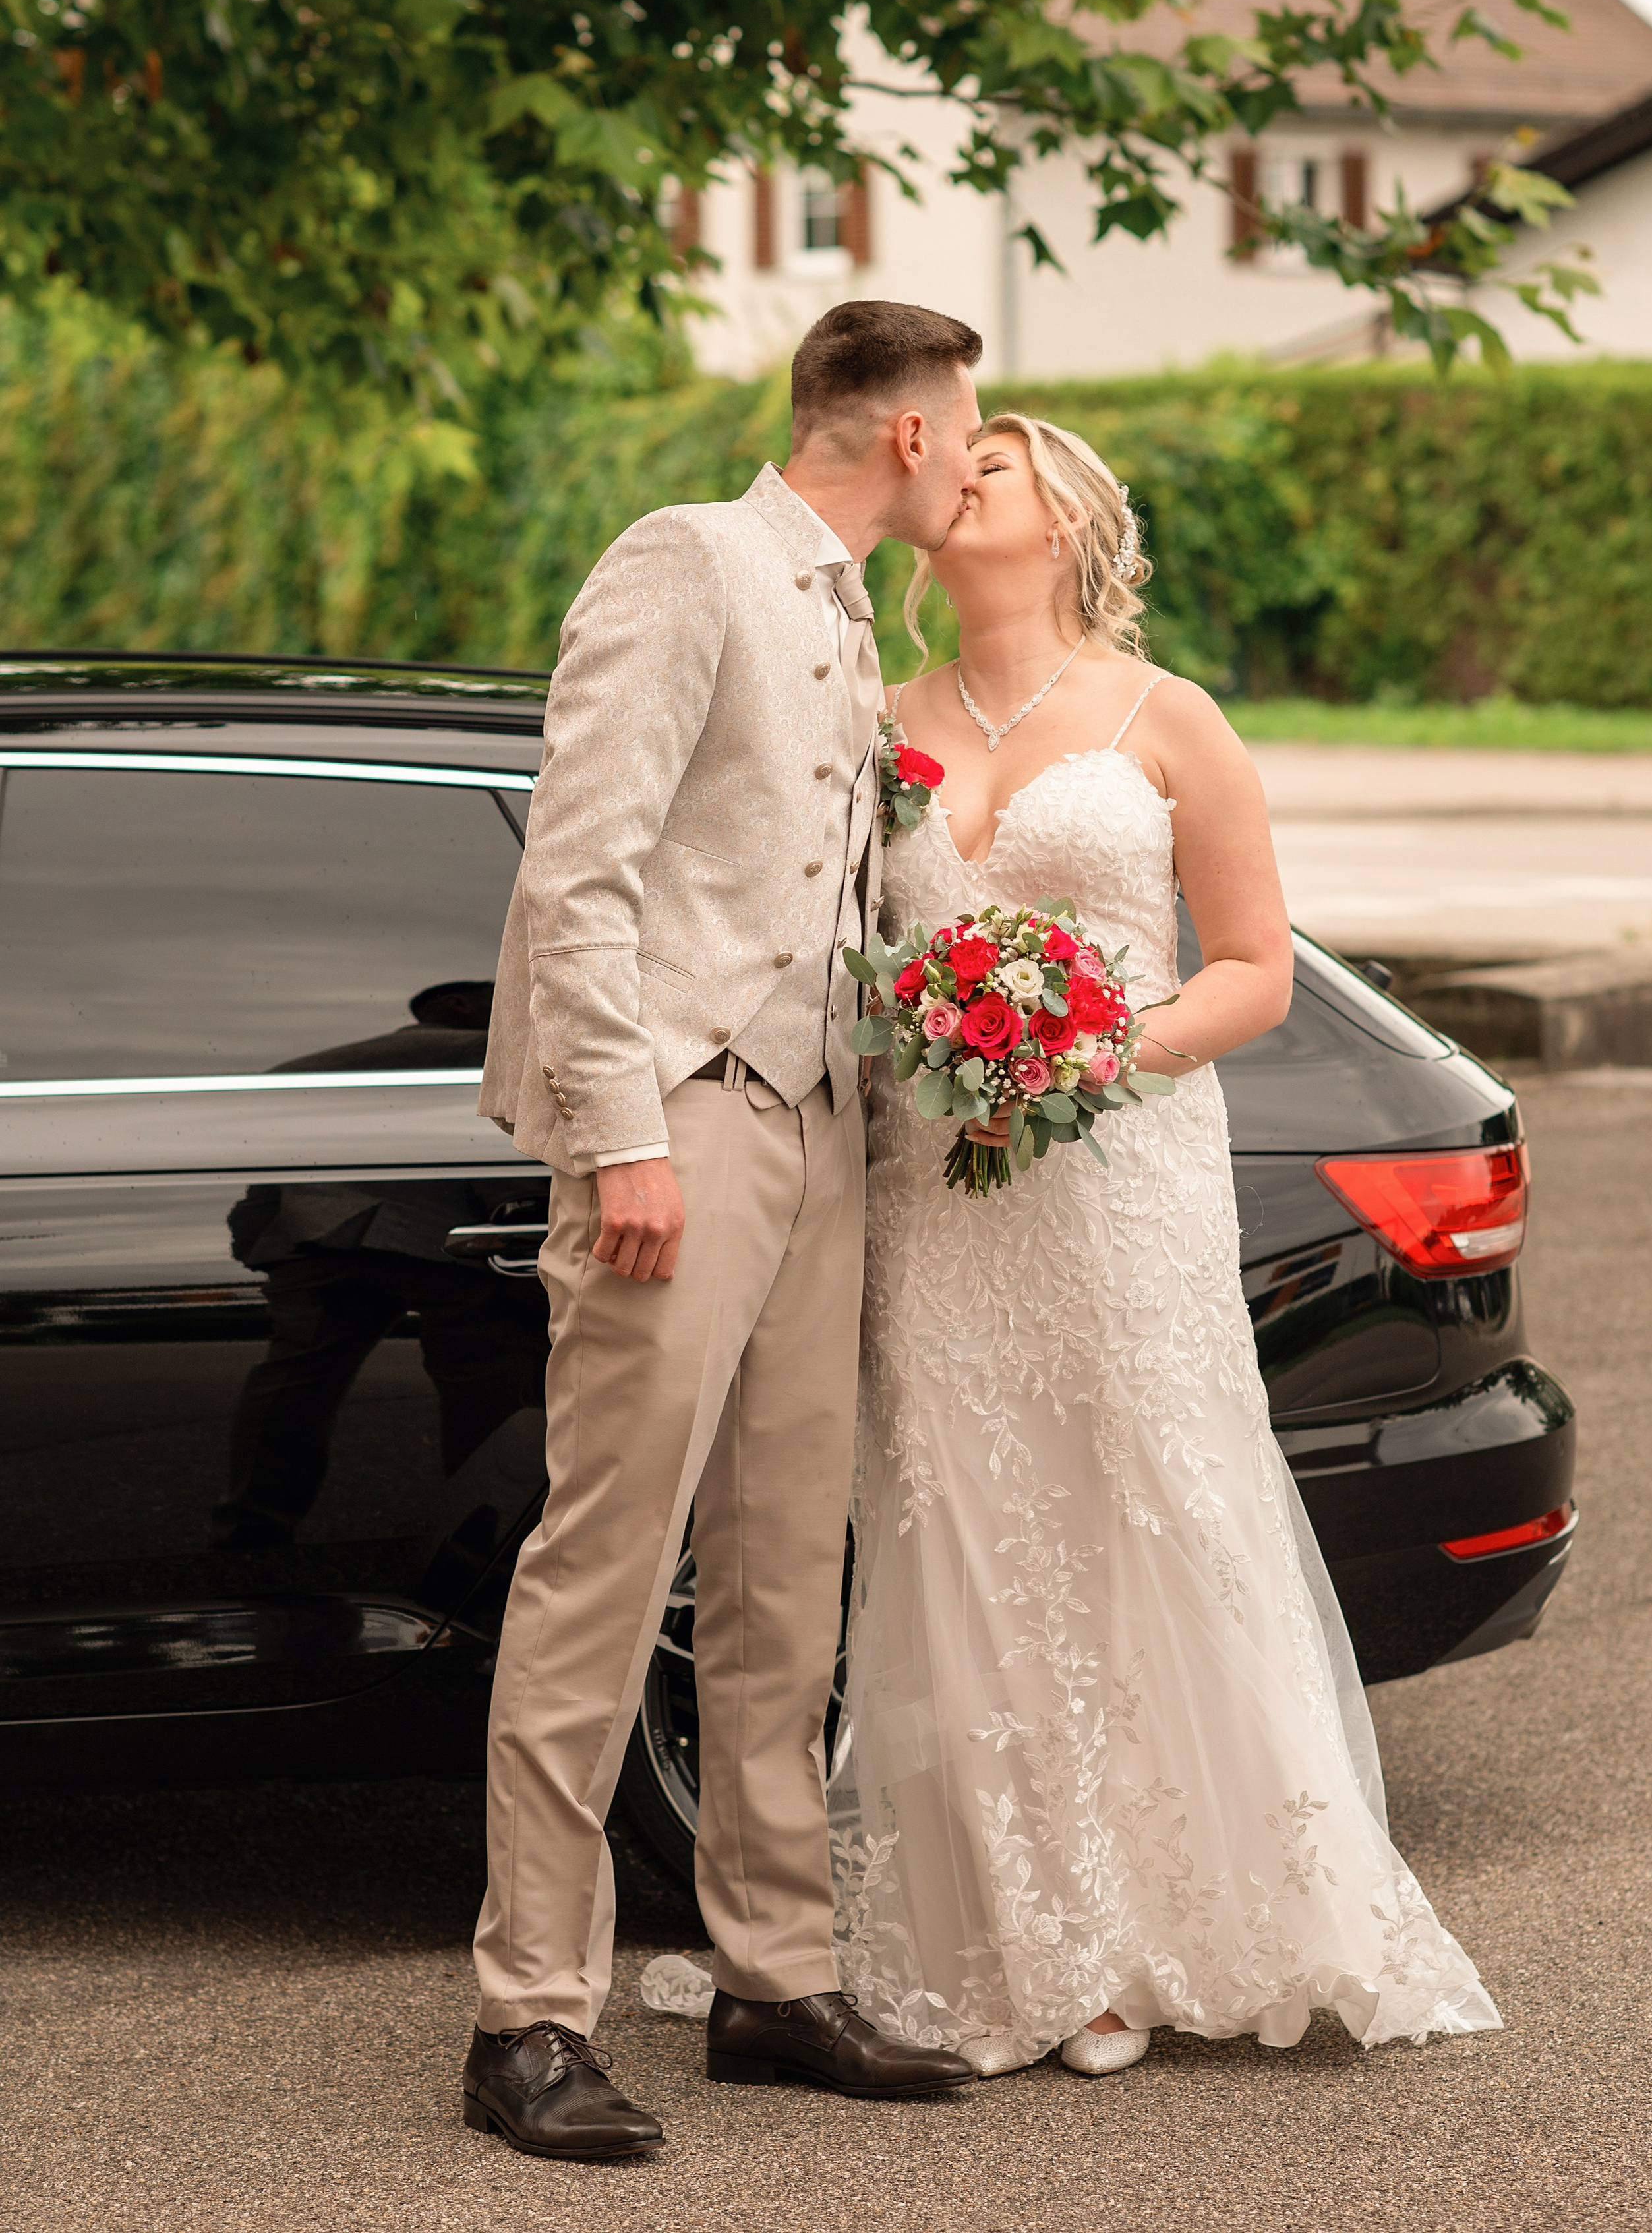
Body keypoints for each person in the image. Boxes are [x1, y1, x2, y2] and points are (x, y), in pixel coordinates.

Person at [830, 411, 1502, 2073]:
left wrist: (1076, 1049)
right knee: (966, 1535)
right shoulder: (880, 725)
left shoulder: (1165, 719)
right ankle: (1036, 1951)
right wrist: (939, 1045)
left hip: (1119, 1183)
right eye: (956, 464)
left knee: (1142, 1513)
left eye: (996, 465)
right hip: (941, 1193)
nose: (961, 479)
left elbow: (1252, 972)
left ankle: (1168, 1924)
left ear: (1067, 523)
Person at [463, 302, 981, 2162]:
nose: (974, 444)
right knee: (606, 1566)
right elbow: (579, 863)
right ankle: (527, 2014)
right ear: (910, 433)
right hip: (680, 1117)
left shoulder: (852, 614)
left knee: (783, 1571)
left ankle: (774, 1975)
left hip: (827, 1125)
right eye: (968, 418)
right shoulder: (688, 559)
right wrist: (625, 1141)